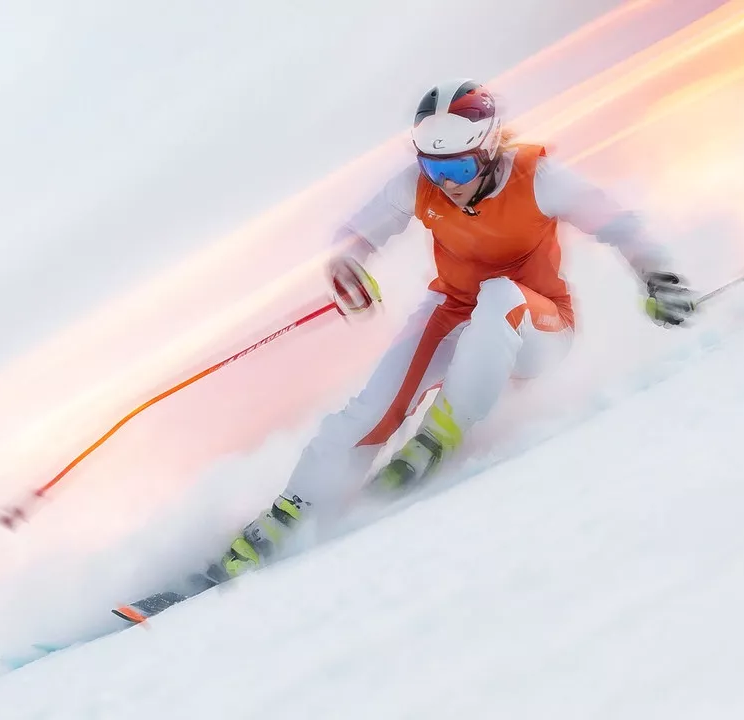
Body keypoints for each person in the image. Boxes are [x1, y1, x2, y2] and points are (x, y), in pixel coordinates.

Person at [205, 78, 696, 582]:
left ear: (487, 152)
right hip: (454, 312)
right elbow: (354, 234)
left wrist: (661, 279)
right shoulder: (416, 185)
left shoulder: (538, 178)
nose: (446, 182)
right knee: (372, 407)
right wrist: (348, 265)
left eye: (458, 167)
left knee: (500, 294)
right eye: (433, 167)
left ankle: (440, 433)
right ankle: (289, 513)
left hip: (538, 328)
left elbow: (618, 223)